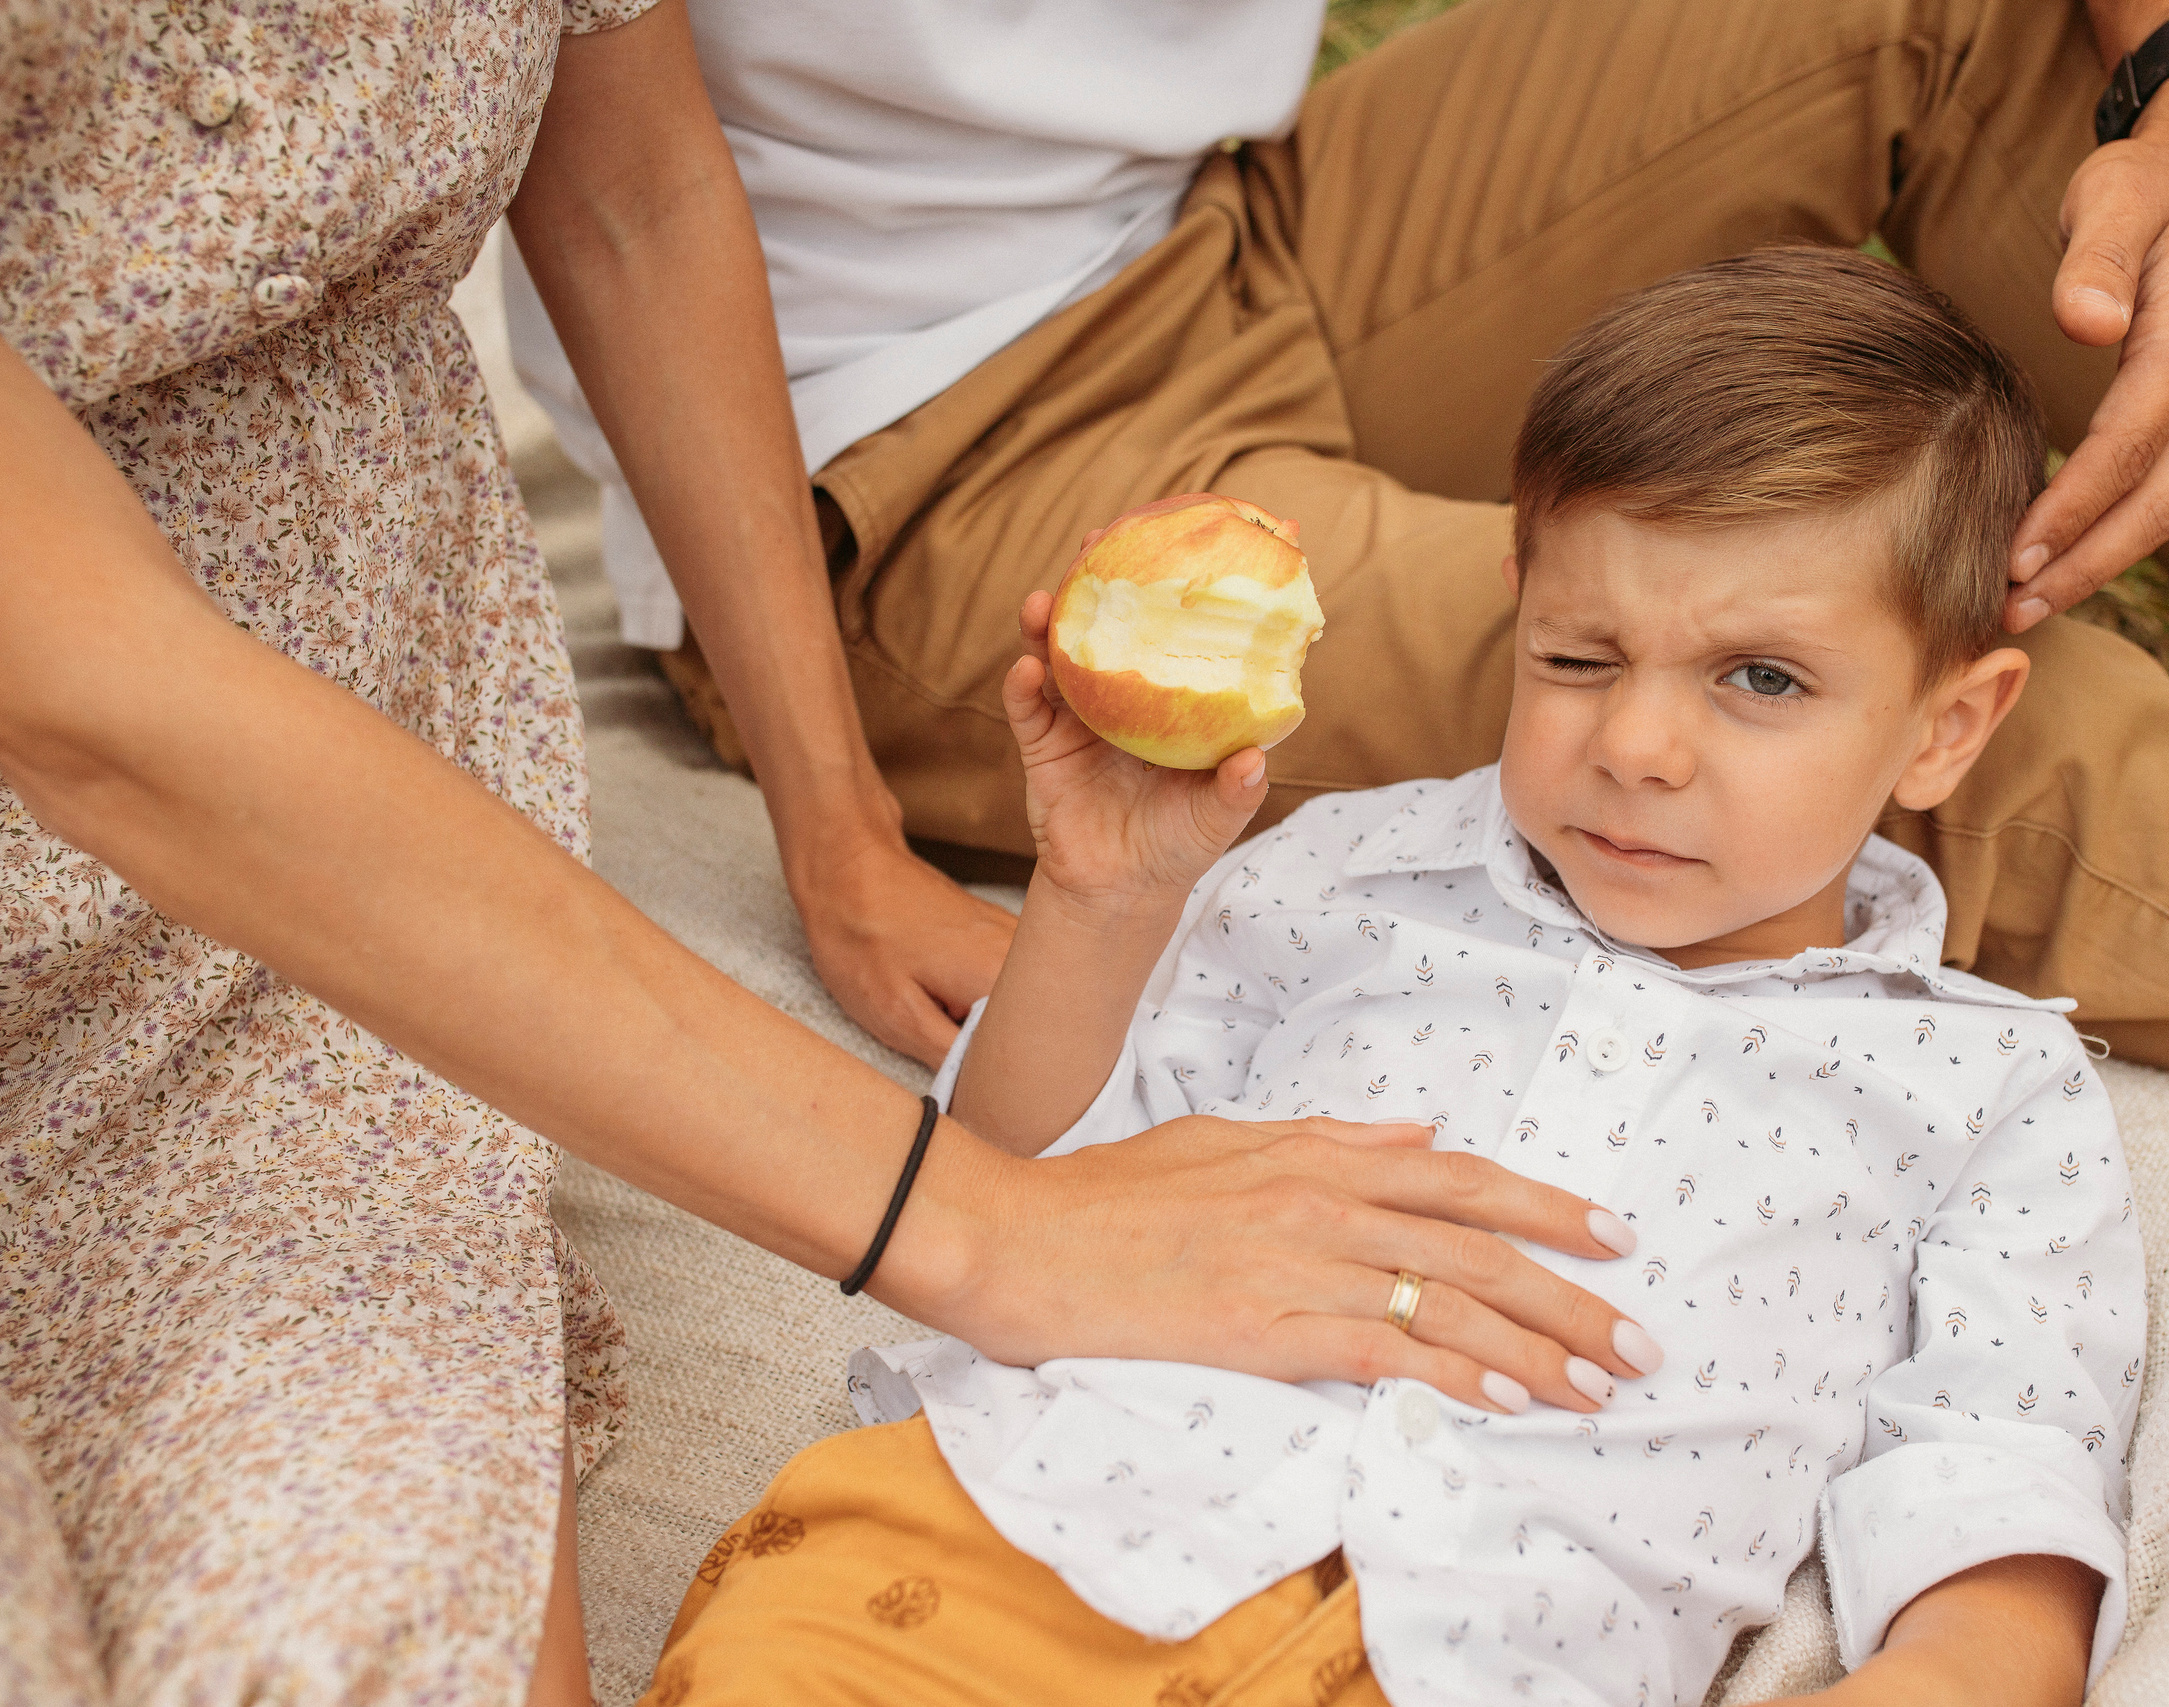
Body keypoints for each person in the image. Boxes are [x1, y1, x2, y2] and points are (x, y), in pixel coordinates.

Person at [0, 5, 1654, 1701]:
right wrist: (997, 1232)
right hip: (101, 846)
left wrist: (841, 827)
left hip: (350, 929)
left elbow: (632, 184)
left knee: (374, 1641)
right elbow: (102, 714)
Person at [509, 0, 2169, 1109]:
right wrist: (836, 835)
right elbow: (613, 195)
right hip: (920, 442)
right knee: (1827, 706)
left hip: (1232, 221)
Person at [642, 252, 2147, 1707]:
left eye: (1762, 680)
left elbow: (1996, 1466)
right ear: (1517, 602)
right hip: (1012, 1529)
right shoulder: (1341, 876)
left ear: (1951, 727)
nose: (1636, 746)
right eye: (1577, 657)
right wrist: (1099, 902)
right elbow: (1017, 1190)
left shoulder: (1990, 1087)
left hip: (1475, 1657)